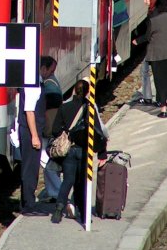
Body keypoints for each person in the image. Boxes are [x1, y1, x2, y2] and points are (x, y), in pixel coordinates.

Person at [50, 77, 108, 224]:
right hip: (84, 151)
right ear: (88, 92)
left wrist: (66, 133)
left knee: (68, 180)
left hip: (69, 149)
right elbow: (98, 132)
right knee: (82, 182)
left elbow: (55, 130)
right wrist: (102, 153)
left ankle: (58, 210)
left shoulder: (64, 107)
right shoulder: (90, 108)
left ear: (74, 91)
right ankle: (83, 213)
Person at [16, 79, 46, 216]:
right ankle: (29, 205)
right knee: (30, 169)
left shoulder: (28, 83)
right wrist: (34, 136)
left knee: (29, 167)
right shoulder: (33, 85)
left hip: (28, 130)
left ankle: (26, 202)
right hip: (30, 132)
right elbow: (29, 111)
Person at [39, 56, 63, 203]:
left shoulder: (50, 87)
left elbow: (49, 111)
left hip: (48, 131)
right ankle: (53, 192)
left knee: (47, 162)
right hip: (51, 129)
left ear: (44, 68)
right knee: (48, 161)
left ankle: (57, 192)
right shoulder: (51, 83)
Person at [131, 0, 159, 105]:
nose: (144, 1)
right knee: (148, 70)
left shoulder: (153, 13)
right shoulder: (154, 10)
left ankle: (150, 97)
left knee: (146, 70)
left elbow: (149, 34)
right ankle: (156, 98)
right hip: (155, 46)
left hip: (154, 46)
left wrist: (138, 40)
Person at [111, 0, 129, 72]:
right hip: (118, 17)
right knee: (112, 37)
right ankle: (115, 56)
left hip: (117, 17)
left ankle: (114, 56)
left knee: (112, 37)